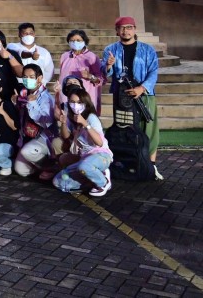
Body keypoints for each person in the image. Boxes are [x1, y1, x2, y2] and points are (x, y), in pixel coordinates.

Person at [103, 16, 162, 180]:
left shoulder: (147, 50)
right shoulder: (110, 49)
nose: (125, 30)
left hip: (145, 95)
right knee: (123, 129)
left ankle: (151, 166)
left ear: (134, 29)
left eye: (129, 27)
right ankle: (127, 164)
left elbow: (153, 71)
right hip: (121, 97)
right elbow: (105, 73)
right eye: (122, 28)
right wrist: (108, 65)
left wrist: (141, 88)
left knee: (149, 129)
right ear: (116, 30)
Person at [52, 88, 113, 197]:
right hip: (84, 157)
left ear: (86, 103)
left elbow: (99, 142)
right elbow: (65, 136)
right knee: (58, 181)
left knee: (84, 166)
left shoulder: (91, 118)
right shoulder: (74, 118)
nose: (76, 105)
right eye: (72, 102)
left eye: (79, 102)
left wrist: (85, 123)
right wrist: (64, 122)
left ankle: (103, 182)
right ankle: (90, 180)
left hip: (100, 155)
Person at [14, 64, 58, 179]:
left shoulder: (46, 98)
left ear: (39, 78)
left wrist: (32, 104)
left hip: (44, 138)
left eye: (31, 76)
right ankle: (40, 168)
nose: (27, 80)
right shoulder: (24, 94)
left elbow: (46, 122)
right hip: (28, 136)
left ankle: (51, 167)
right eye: (24, 77)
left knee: (27, 152)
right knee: (21, 170)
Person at [58, 30, 103, 114]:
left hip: (85, 96)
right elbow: (62, 76)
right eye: (72, 40)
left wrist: (90, 76)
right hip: (67, 96)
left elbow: (101, 79)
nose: (75, 42)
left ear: (84, 41)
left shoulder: (92, 57)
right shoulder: (65, 56)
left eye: (78, 40)